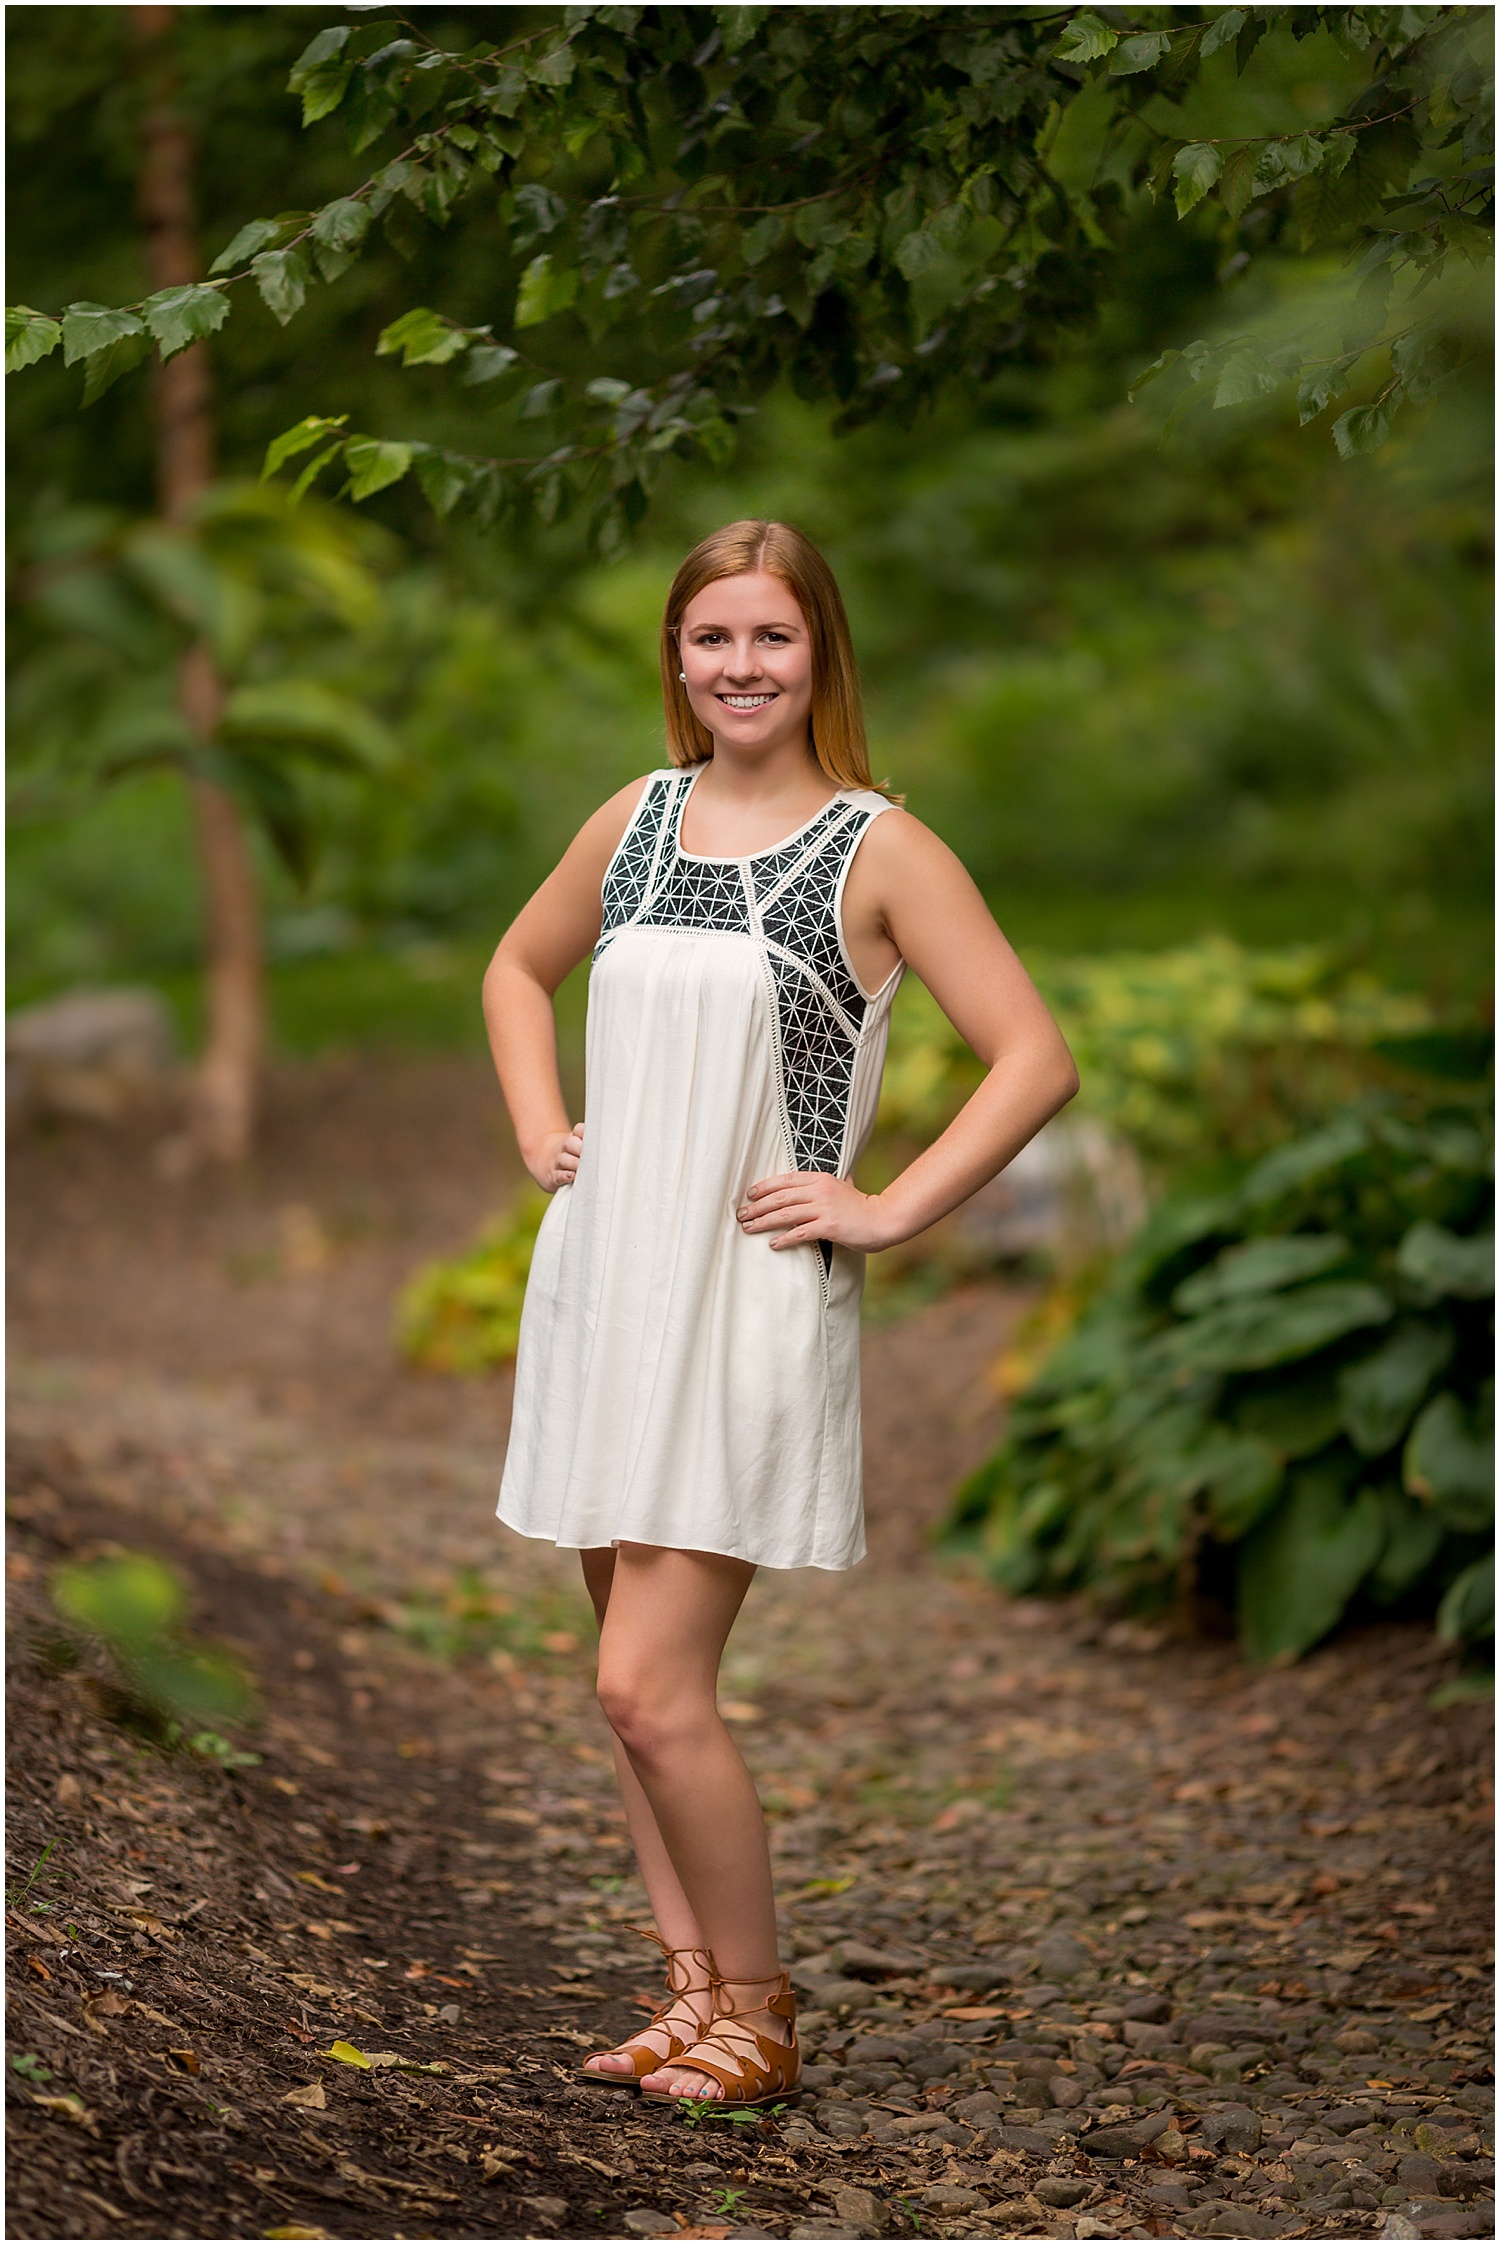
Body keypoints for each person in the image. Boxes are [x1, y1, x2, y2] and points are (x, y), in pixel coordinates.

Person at [483, 519, 1078, 2107]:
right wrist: (544, 1125)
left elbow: (1034, 1055)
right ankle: (686, 1991)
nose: (740, 668)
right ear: (675, 659)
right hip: (609, 1280)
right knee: (623, 1671)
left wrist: (882, 1203)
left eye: (773, 639)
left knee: (644, 1687)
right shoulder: (639, 816)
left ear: (822, 652)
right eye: (711, 640)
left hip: (741, 1298)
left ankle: (761, 2004)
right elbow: (515, 967)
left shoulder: (877, 846)